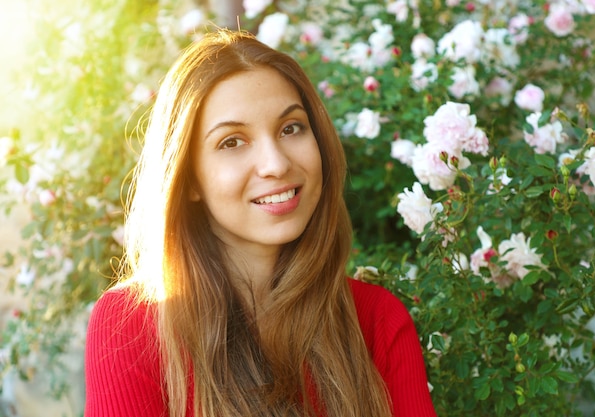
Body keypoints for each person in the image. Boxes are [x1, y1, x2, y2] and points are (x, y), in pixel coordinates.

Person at [84, 29, 437, 417]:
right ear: (188, 180)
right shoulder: (129, 328)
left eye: (291, 128)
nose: (277, 164)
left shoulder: (378, 323)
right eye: (232, 141)